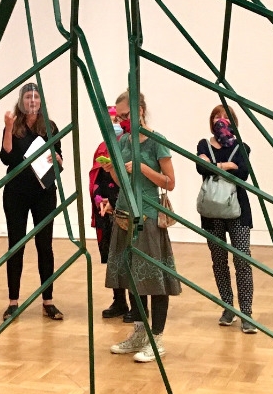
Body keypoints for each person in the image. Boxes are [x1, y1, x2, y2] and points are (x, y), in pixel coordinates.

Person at [105, 90, 181, 363]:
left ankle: (156, 338)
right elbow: (123, 180)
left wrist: (141, 168)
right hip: (125, 215)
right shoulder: (124, 140)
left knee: (154, 278)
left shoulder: (156, 142)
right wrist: (113, 170)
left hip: (148, 216)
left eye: (126, 115)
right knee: (130, 277)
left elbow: (169, 182)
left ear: (139, 110)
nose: (122, 120)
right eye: (119, 117)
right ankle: (139, 333)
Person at [0, 81, 64, 322]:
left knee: (45, 246)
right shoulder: (13, 125)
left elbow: (60, 159)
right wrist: (8, 128)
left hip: (43, 192)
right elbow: (6, 157)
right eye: (28, 97)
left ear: (41, 101)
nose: (32, 101)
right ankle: (13, 302)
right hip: (16, 192)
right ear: (21, 101)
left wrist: (57, 159)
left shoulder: (50, 126)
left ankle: (48, 300)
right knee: (16, 245)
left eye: (36, 97)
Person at [196, 104, 256, 333]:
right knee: (219, 260)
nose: (220, 120)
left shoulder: (243, 147)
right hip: (212, 212)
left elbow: (243, 173)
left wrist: (214, 165)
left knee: (242, 260)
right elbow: (201, 168)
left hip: (238, 210)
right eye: (216, 116)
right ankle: (228, 307)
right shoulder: (203, 144)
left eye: (225, 116)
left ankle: (246, 313)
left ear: (234, 121)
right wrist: (227, 165)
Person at [89, 105, 130, 319]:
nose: (114, 125)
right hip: (106, 211)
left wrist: (115, 202)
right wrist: (99, 201)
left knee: (129, 257)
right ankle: (119, 301)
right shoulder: (101, 148)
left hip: (123, 207)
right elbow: (96, 180)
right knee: (113, 258)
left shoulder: (128, 146)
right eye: (110, 121)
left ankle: (136, 303)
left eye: (117, 120)